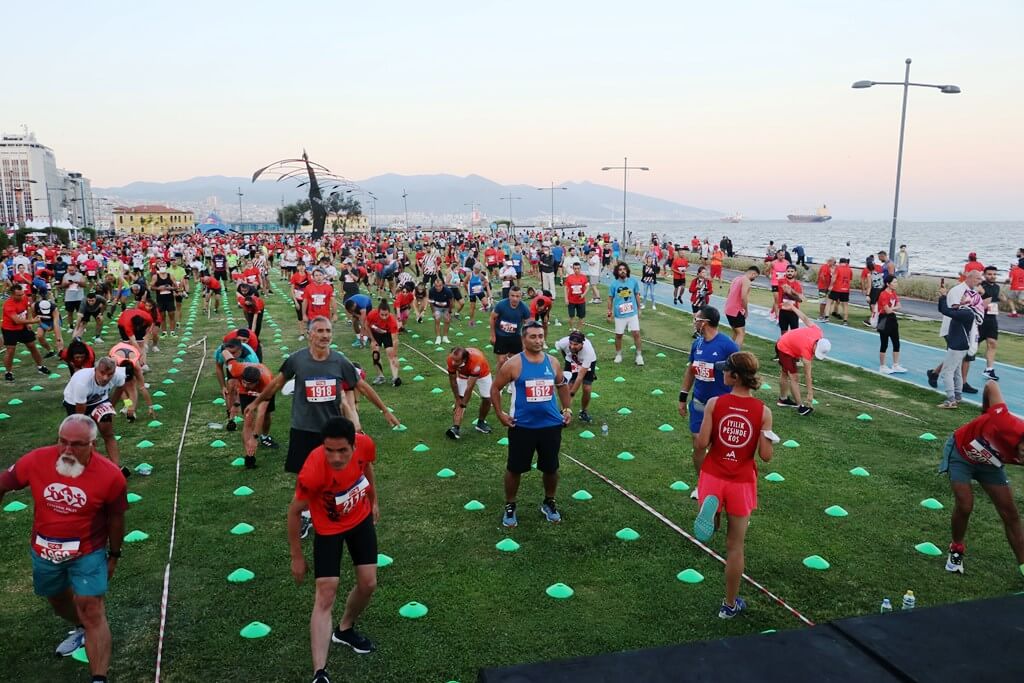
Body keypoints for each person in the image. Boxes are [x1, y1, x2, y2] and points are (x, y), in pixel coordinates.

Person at [0, 414, 128, 678]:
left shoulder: (110, 476)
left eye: (77, 444)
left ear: (92, 444)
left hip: (88, 551)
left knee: (91, 607)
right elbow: (3, 482)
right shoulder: (36, 460)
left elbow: (116, 519)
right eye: (63, 442)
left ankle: (98, 677)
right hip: (45, 550)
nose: (68, 450)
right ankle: (81, 627)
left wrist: (114, 554)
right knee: (58, 600)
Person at [287, 416, 380, 683]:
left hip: (359, 520)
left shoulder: (366, 445)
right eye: (329, 450)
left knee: (368, 584)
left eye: (342, 450)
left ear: (354, 444)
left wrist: (373, 500)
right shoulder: (313, 470)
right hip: (328, 529)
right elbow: (294, 513)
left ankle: (345, 629)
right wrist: (297, 556)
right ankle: (320, 673)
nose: (336, 457)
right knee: (325, 594)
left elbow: (367, 470)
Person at [692, 352, 774, 618]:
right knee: (735, 546)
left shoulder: (715, 403)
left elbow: (701, 444)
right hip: (740, 481)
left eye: (725, 369)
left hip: (713, 475)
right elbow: (765, 456)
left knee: (714, 513)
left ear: (735, 376)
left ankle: (713, 513)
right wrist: (766, 435)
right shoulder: (764, 412)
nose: (721, 373)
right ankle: (729, 605)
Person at [490, 321, 573, 528]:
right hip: (522, 426)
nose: (538, 340)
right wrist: (500, 414)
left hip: (550, 425)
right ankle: (510, 505)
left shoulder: (552, 362)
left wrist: (567, 409)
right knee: (515, 468)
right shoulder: (513, 364)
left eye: (541, 336)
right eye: (533, 337)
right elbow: (495, 388)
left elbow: (562, 385)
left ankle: (549, 502)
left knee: (551, 468)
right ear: (523, 339)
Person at [939, 380, 1024, 578]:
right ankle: (956, 550)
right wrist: (987, 414)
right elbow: (991, 384)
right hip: (961, 452)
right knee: (965, 504)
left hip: (990, 464)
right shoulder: (1005, 423)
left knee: (1010, 513)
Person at [679, 306, 740, 501]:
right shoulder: (696, 344)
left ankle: (723, 488)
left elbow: (740, 375)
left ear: (704, 322)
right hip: (698, 403)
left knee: (720, 450)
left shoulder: (728, 346)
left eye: (697, 318)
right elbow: (691, 370)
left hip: (722, 406)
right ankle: (703, 483)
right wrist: (682, 396)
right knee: (698, 444)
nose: (694, 321)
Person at [63, 356, 130, 470]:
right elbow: (81, 414)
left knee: (108, 433)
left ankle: (115, 469)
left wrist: (111, 405)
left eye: (109, 374)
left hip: (100, 399)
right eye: (102, 373)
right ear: (95, 370)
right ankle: (93, 467)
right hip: (75, 402)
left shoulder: (118, 375)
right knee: (85, 437)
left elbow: (121, 387)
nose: (105, 378)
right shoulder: (82, 383)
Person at [222, 348, 276, 468]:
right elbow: (225, 353)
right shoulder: (236, 370)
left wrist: (255, 437)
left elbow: (261, 413)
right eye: (244, 382)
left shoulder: (266, 382)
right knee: (248, 420)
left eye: (249, 384)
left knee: (266, 415)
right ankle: (249, 455)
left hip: (264, 392)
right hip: (246, 393)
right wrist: (224, 348)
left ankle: (265, 437)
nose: (246, 385)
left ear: (256, 382)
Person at [936, 280, 984, 409]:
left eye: (964, 296)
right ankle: (957, 396)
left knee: (947, 372)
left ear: (970, 300)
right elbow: (943, 309)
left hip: (957, 345)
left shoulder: (966, 313)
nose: (962, 297)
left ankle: (951, 400)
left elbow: (947, 311)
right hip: (959, 345)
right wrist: (942, 297)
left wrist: (944, 295)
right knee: (956, 371)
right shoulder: (964, 310)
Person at [775, 307, 831, 416]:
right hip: (784, 348)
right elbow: (807, 375)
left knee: (785, 372)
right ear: (816, 345)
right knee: (794, 377)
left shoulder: (818, 331)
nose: (815, 354)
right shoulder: (807, 350)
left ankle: (782, 399)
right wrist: (810, 393)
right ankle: (800, 406)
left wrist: (793, 308)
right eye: (816, 351)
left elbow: (805, 318)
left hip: (788, 342)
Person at [4, 283, 51, 382]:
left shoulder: (24, 298)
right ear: (12, 295)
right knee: (10, 350)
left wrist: (29, 322)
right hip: (10, 329)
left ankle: (40, 366)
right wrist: (32, 321)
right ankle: (8, 372)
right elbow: (16, 321)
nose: (22, 296)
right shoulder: (8, 305)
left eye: (22, 294)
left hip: (23, 328)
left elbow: (28, 309)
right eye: (19, 295)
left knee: (32, 346)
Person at [445, 346, 494, 439]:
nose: (453, 363)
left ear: (464, 359)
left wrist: (464, 403)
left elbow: (470, 386)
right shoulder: (451, 359)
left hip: (482, 374)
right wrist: (458, 399)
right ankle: (455, 428)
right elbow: (453, 381)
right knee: (460, 398)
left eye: (456, 361)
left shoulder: (476, 361)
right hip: (464, 374)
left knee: (487, 398)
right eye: (452, 360)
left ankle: (481, 423)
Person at [554, 330, 598, 424]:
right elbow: (562, 349)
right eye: (571, 343)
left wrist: (572, 393)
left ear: (582, 344)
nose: (572, 346)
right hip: (571, 361)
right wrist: (567, 357)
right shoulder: (563, 342)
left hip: (586, 363)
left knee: (587, 388)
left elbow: (580, 376)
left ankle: (583, 412)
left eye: (576, 344)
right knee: (568, 385)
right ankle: (564, 412)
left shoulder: (588, 352)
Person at [607, 262, 644, 366]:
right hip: (620, 315)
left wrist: (639, 308)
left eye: (624, 269)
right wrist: (609, 312)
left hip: (632, 313)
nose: (622, 271)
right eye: (620, 269)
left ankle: (639, 355)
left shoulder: (633, 282)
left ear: (627, 270)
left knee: (636, 334)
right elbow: (610, 299)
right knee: (619, 335)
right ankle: (618, 355)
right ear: (617, 272)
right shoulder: (614, 284)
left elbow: (637, 295)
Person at [490, 285, 531, 370]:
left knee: (515, 361)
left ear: (521, 297)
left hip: (515, 336)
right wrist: (493, 335)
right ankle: (498, 380)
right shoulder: (501, 305)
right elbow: (492, 318)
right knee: (501, 361)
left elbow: (528, 326)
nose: (515, 299)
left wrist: (524, 341)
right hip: (501, 336)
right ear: (509, 296)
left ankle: (513, 381)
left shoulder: (524, 308)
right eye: (512, 296)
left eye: (517, 296)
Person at [365, 299, 401, 387]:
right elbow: (366, 325)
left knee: (390, 352)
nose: (384, 317)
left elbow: (395, 340)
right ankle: (380, 376)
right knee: (375, 353)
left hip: (387, 333)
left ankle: (395, 378)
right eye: (382, 315)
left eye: (386, 315)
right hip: (375, 333)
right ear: (378, 312)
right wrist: (372, 340)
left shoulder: (392, 321)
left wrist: (395, 356)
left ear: (389, 313)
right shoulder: (372, 314)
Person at [876, 275, 906, 374]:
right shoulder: (883, 294)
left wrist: (891, 308)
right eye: (894, 282)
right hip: (884, 320)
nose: (896, 284)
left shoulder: (893, 293)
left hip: (892, 319)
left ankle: (895, 365)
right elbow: (887, 311)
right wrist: (893, 308)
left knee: (896, 342)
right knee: (884, 343)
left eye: (896, 282)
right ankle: (882, 366)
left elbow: (899, 306)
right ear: (888, 284)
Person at [723, 266, 758, 348]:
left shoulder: (737, 278)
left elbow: (729, 292)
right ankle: (735, 355)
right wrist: (746, 310)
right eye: (755, 277)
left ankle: (728, 351)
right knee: (741, 333)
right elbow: (743, 297)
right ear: (753, 273)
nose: (754, 279)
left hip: (728, 309)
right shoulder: (746, 280)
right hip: (736, 310)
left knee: (735, 332)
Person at [978, 266, 1001, 382]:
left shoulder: (997, 287)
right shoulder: (980, 286)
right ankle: (948, 369)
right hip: (980, 320)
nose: (992, 276)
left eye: (994, 274)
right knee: (969, 349)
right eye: (990, 274)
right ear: (984, 275)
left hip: (992, 320)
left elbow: (994, 301)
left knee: (992, 344)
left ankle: (989, 370)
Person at [777, 264, 804, 334]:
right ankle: (782, 344)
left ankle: (792, 344)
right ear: (785, 272)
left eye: (792, 271)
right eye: (788, 271)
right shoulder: (781, 281)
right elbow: (785, 291)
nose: (789, 273)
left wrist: (790, 293)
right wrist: (793, 294)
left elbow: (800, 300)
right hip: (783, 311)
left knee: (794, 333)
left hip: (793, 312)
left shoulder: (798, 285)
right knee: (783, 331)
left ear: (795, 273)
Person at [825, 258, 853, 325]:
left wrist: (830, 286)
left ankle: (826, 317)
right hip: (845, 290)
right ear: (846, 263)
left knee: (829, 302)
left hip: (836, 289)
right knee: (845, 305)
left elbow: (834, 278)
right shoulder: (850, 269)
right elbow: (850, 280)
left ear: (840, 262)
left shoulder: (838, 268)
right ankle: (845, 321)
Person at [563, 261, 589, 331]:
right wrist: (566, 299)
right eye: (575, 268)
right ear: (573, 269)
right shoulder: (569, 277)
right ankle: (572, 329)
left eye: (578, 268)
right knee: (571, 316)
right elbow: (566, 288)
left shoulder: (584, 277)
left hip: (581, 301)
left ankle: (578, 330)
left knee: (581, 316)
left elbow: (587, 287)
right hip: (571, 300)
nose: (577, 270)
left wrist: (583, 295)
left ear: (580, 269)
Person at [426, 277, 453, 345]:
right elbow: (431, 302)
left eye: (440, 286)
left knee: (447, 321)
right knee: (437, 320)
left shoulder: (448, 291)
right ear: (434, 285)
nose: (438, 288)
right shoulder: (431, 290)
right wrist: (433, 311)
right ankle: (438, 338)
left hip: (446, 307)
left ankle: (445, 337)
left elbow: (451, 302)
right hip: (437, 307)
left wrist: (449, 312)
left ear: (443, 285)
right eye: (436, 286)